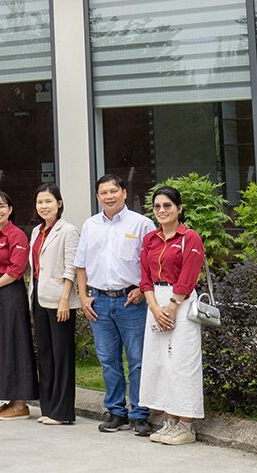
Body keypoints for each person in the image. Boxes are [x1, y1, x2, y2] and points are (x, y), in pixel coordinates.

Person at [76, 173, 157, 437]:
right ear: (97, 196)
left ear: (124, 192)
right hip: (99, 302)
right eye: (103, 192)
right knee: (108, 360)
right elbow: (81, 265)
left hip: (131, 301)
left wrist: (143, 290)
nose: (109, 196)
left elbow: (152, 263)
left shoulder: (142, 224)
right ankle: (116, 411)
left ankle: (140, 413)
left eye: (113, 191)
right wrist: (83, 296)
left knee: (137, 359)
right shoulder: (90, 225)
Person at [139, 185, 207, 446]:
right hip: (155, 302)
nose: (162, 210)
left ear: (179, 208)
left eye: (167, 205)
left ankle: (186, 426)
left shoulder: (190, 238)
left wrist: (171, 307)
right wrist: (155, 308)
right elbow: (144, 277)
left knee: (181, 363)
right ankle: (170, 421)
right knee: (159, 363)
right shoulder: (150, 239)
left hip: (181, 302)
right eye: (157, 206)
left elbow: (188, 276)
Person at [0, 189, 38, 420]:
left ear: (10, 209)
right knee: (1, 344)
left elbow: (16, 270)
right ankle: (10, 399)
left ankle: (21, 403)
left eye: (2, 206)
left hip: (11, 293)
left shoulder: (17, 235)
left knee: (16, 342)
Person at [30, 183, 81, 425]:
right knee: (46, 354)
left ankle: (63, 412)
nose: (44, 206)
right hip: (40, 298)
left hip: (60, 301)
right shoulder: (36, 232)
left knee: (62, 356)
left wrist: (64, 300)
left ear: (59, 203)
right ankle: (48, 408)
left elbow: (71, 267)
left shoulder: (68, 231)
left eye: (48, 201)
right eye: (40, 202)